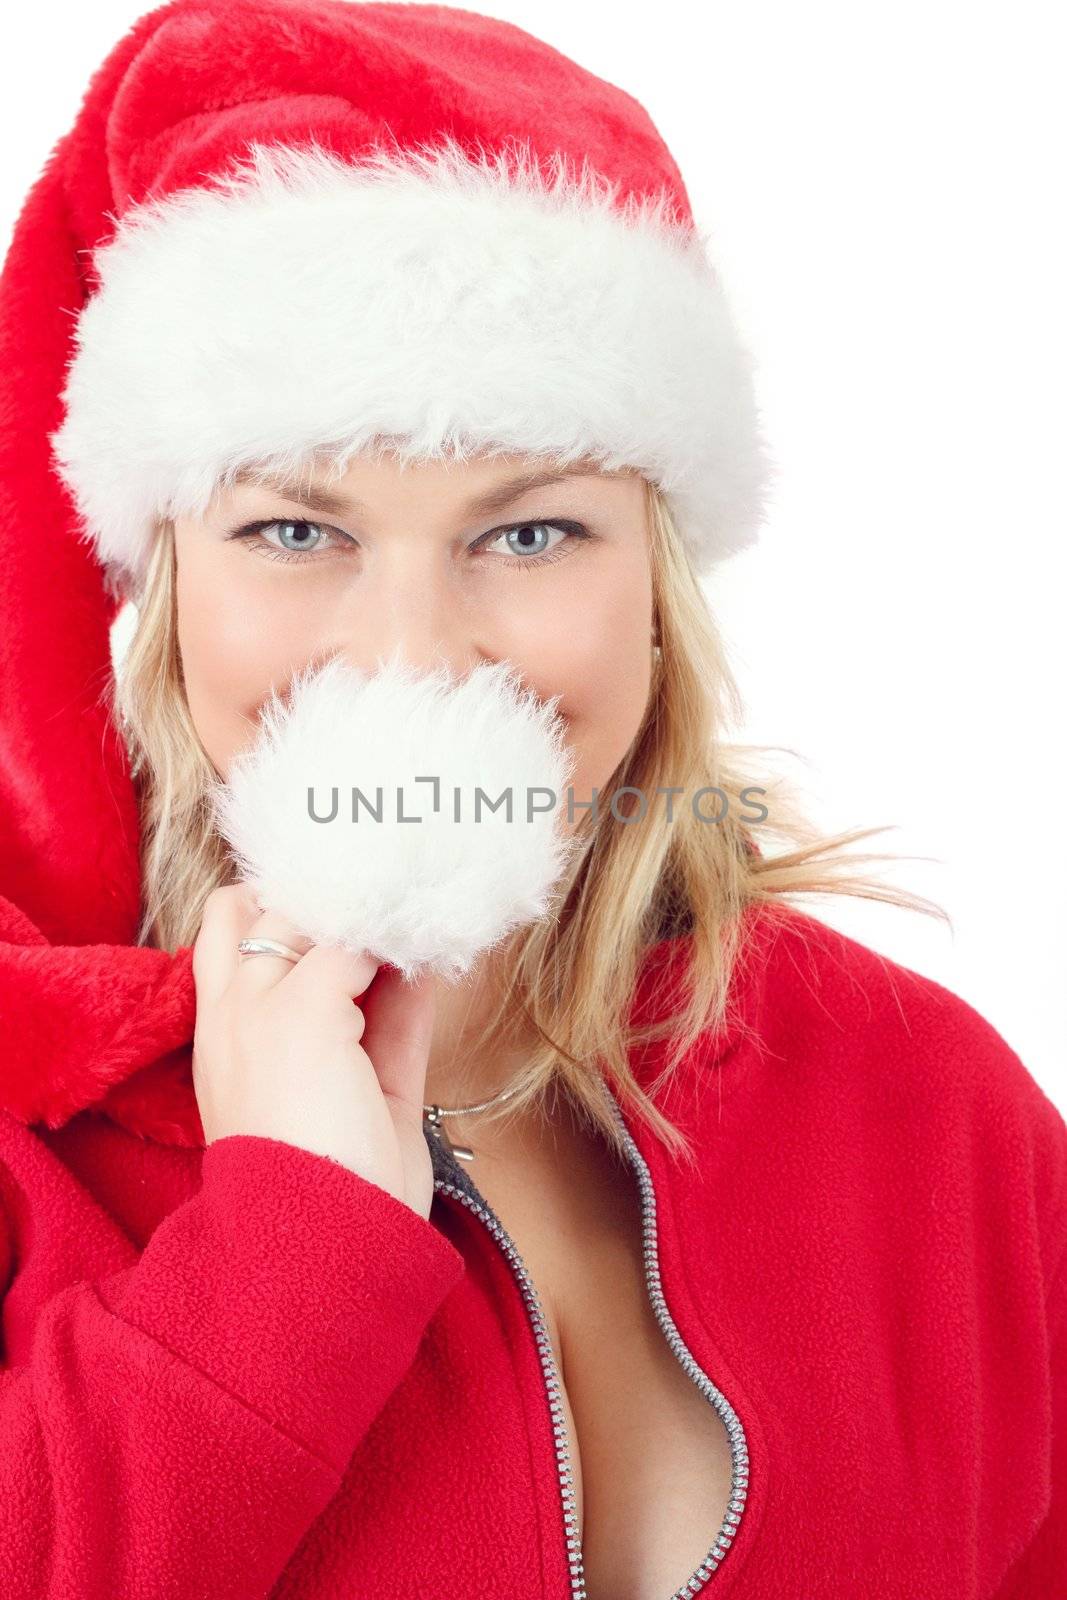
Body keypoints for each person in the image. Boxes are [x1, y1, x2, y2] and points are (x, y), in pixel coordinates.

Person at [0, 2, 1062, 1597]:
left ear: (657, 585)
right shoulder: (34, 1148)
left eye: (531, 534)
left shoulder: (936, 1109)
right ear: (160, 580)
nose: (413, 659)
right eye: (296, 532)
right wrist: (286, 1242)